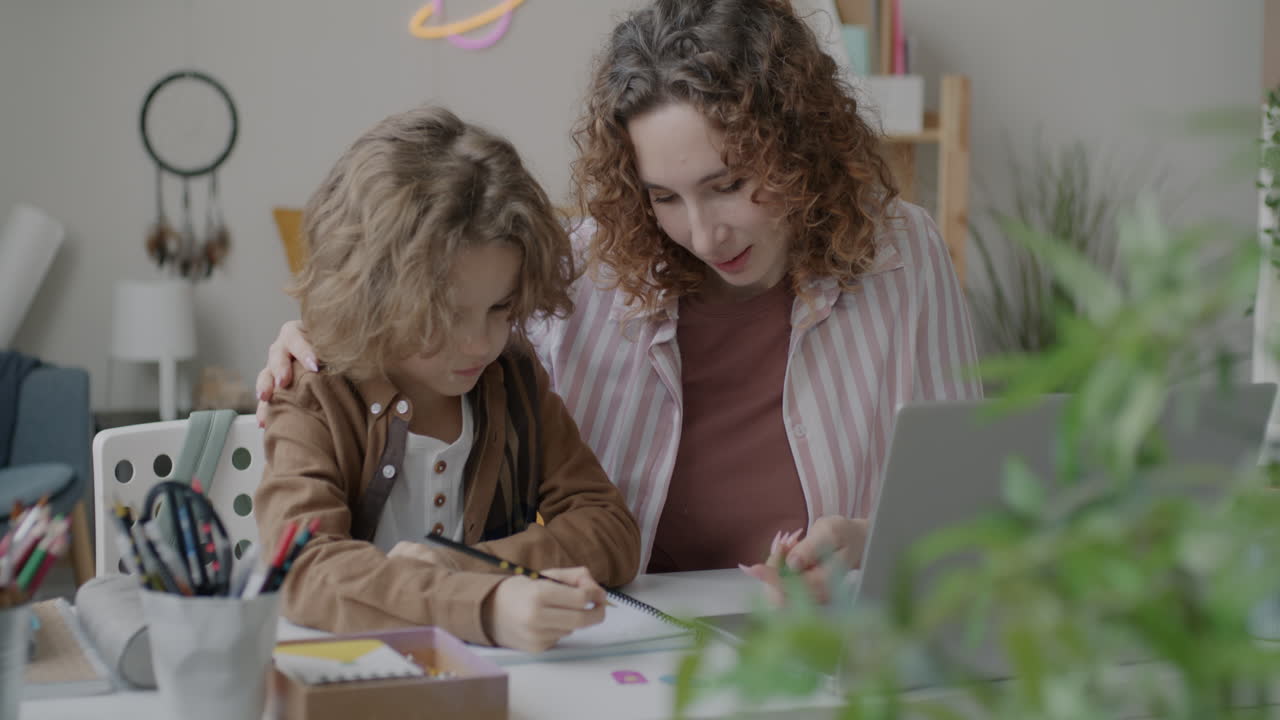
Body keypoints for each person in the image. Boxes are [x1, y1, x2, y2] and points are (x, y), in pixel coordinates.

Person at [257, 0, 980, 603]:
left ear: (799, 146)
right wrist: (321, 331)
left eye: (728, 184)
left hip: (833, 642)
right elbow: (432, 318)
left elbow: (970, 514)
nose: (702, 232)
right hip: (642, 645)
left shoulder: (902, 257)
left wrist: (867, 543)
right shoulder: (580, 270)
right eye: (665, 196)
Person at [255, 105, 640, 652]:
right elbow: (302, 568)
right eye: (445, 315)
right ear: (373, 295)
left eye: (501, 307)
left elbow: (611, 531)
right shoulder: (315, 390)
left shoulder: (513, 378)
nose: (480, 343)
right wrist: (480, 605)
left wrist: (475, 564)